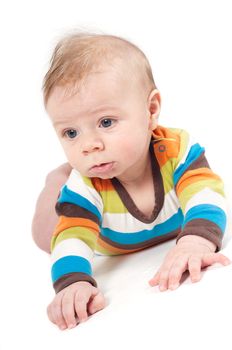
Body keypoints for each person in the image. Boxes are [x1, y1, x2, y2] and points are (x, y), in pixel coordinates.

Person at [32, 32, 231, 330]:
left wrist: (195, 242)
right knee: (48, 233)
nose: (89, 145)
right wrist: (73, 283)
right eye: (71, 133)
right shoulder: (84, 187)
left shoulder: (176, 151)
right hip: (101, 232)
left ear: (150, 111)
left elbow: (207, 193)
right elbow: (72, 238)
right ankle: (55, 180)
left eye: (106, 122)